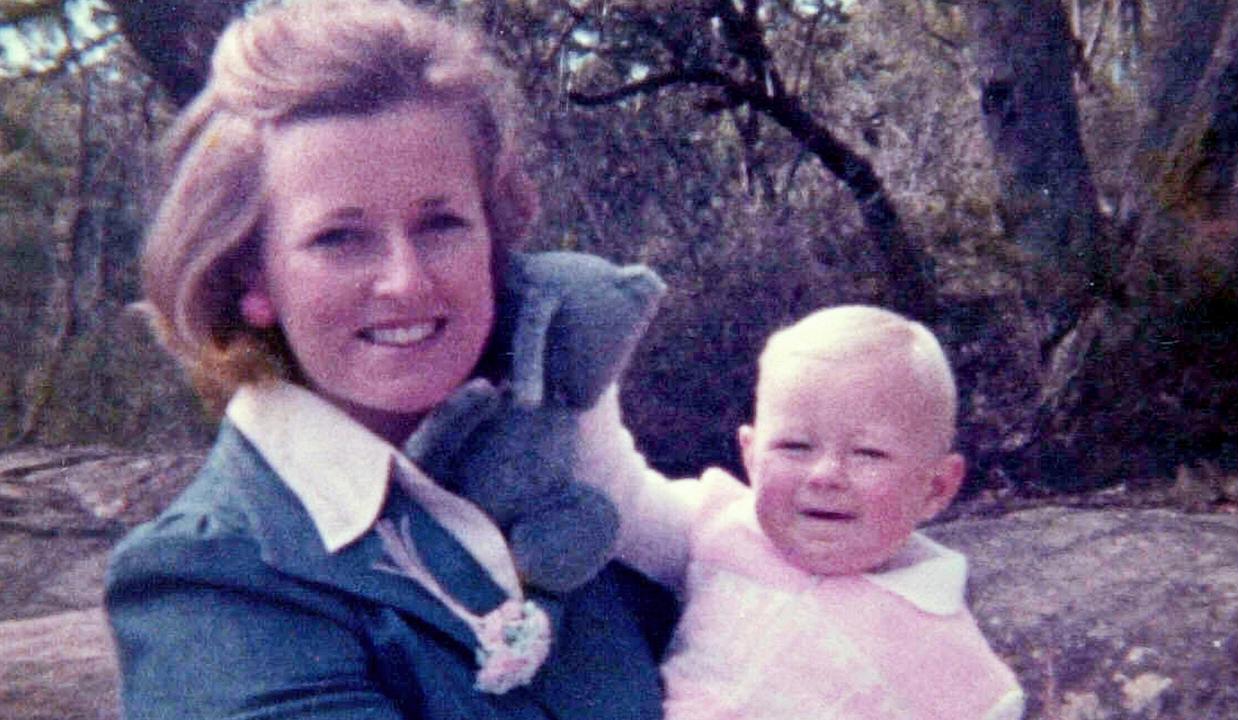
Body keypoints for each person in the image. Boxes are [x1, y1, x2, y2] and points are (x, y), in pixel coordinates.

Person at [105, 1, 687, 718]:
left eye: (441, 223)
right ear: (249, 279)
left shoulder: (559, 465)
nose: (406, 280)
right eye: (339, 239)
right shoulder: (209, 584)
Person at [659, 305, 1026, 720]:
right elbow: (608, 481)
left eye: (868, 453)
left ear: (936, 487)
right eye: (794, 446)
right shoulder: (713, 522)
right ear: (750, 456)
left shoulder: (949, 660)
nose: (825, 475)